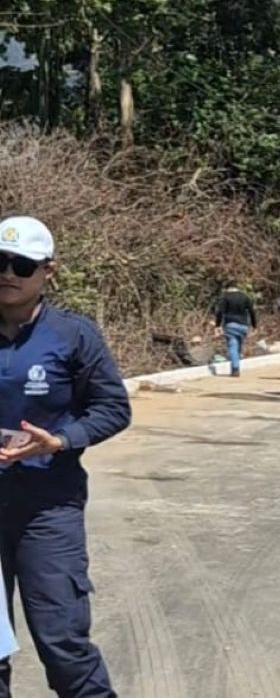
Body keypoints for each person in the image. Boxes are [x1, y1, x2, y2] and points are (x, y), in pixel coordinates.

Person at [0, 215, 131, 697]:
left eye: (22, 264)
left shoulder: (73, 335)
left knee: (63, 641)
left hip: (47, 509)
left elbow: (113, 408)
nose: (8, 273)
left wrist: (61, 440)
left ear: (47, 272)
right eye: (0, 261)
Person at [212, 281, 257, 377]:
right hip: (243, 325)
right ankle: (236, 363)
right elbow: (252, 311)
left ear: (227, 288)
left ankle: (235, 368)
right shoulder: (245, 297)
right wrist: (254, 325)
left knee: (232, 345)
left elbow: (219, 312)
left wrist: (217, 325)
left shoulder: (225, 297)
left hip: (230, 324)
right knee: (238, 346)